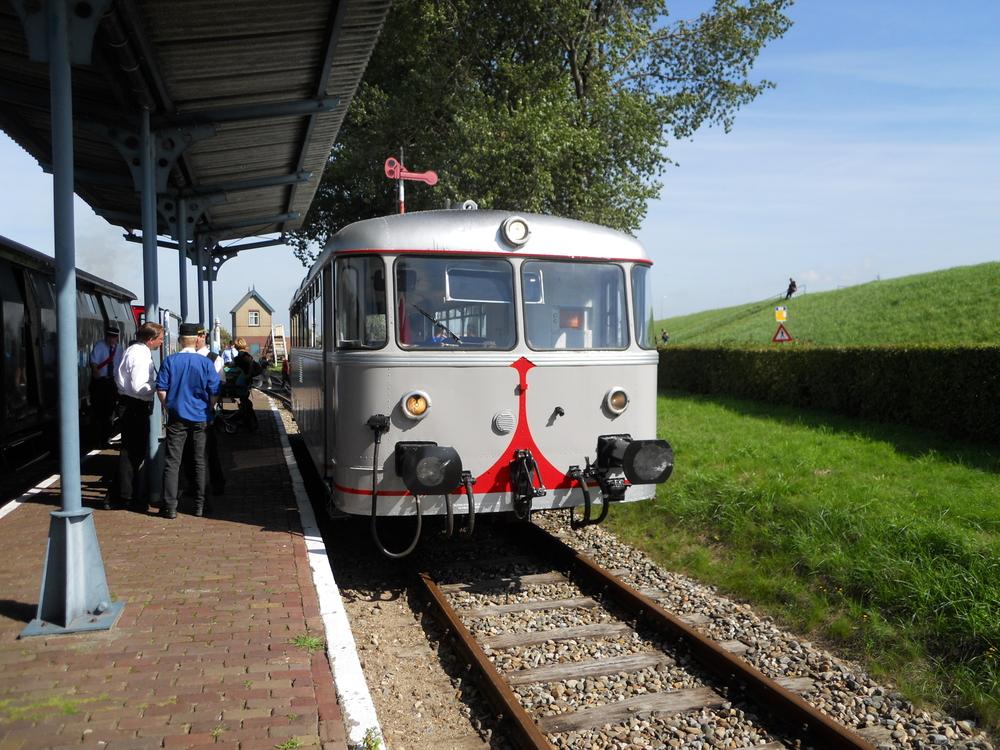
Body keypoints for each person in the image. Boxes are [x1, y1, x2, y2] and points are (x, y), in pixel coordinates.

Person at [156, 322, 221, 518]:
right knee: (200, 460)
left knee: (172, 462)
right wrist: (209, 406)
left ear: (179, 340)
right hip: (201, 417)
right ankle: (200, 505)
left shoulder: (170, 361)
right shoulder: (206, 363)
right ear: (196, 340)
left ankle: (170, 507)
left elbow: (161, 389)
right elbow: (215, 391)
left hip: (176, 417)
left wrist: (169, 406)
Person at [109, 321, 164, 511]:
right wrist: (159, 385)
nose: (161, 343)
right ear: (150, 340)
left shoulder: (132, 351)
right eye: (160, 339)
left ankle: (119, 494)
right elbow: (139, 386)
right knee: (133, 451)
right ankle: (126, 495)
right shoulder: (140, 355)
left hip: (128, 404)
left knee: (130, 449)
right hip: (135, 405)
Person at [195, 326, 226, 496]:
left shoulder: (214, 359)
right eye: (195, 336)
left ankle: (215, 483)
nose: (196, 339)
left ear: (204, 337)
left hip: (205, 410)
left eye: (199, 336)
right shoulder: (186, 356)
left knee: (209, 450)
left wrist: (210, 405)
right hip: (193, 409)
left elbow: (219, 385)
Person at [89, 325, 122, 444]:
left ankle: (106, 436)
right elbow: (93, 362)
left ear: (116, 338)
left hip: (111, 382)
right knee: (98, 410)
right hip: (100, 382)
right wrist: (95, 371)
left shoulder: (119, 349)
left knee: (110, 410)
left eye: (113, 337)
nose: (111, 339)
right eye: (109, 337)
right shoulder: (100, 346)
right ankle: (98, 437)